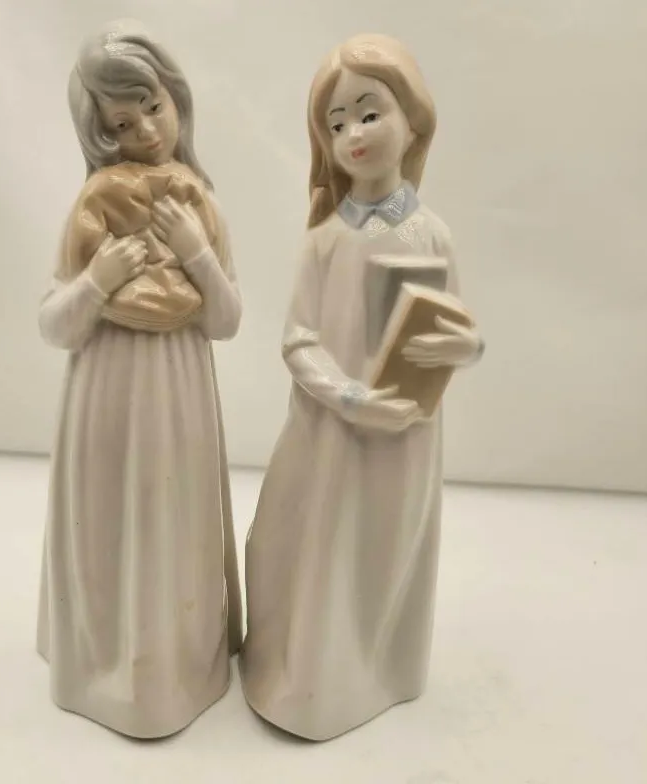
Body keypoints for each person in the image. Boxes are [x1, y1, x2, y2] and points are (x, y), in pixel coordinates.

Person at [240, 33, 484, 741]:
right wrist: (349, 397)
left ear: (414, 122)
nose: (353, 134)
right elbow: (298, 340)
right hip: (331, 432)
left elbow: (459, 327)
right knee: (308, 544)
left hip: (404, 435)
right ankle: (305, 680)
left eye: (369, 113)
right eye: (336, 122)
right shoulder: (324, 240)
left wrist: (464, 347)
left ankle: (378, 671)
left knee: (381, 549)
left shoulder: (431, 235)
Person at [35, 19, 242, 739]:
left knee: (172, 524)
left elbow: (225, 320)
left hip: (179, 394)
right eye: (123, 124)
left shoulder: (198, 204)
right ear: (101, 135)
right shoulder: (93, 208)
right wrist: (97, 279)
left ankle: (173, 666)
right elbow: (54, 324)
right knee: (109, 527)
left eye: (154, 107)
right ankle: (103, 663)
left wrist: (196, 254)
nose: (148, 132)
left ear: (176, 98)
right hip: (106, 400)